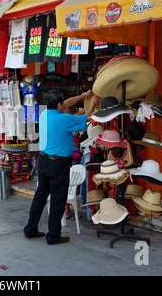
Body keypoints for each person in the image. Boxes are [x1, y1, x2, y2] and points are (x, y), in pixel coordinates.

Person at [23, 89, 99, 244]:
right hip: (57, 165)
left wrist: (84, 95)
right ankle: (53, 236)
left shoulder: (45, 114)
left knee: (40, 197)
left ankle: (30, 229)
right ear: (58, 104)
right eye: (62, 101)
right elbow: (87, 117)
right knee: (58, 201)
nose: (65, 103)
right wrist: (92, 102)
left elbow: (68, 102)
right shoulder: (64, 119)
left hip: (43, 161)